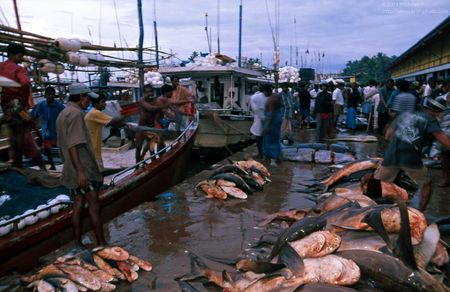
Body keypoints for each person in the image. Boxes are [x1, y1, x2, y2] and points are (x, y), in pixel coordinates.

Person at [373, 96, 450, 211]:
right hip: (410, 157)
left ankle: (372, 209)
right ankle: (420, 211)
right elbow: (444, 141)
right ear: (439, 112)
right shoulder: (430, 120)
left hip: (391, 155)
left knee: (379, 184)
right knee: (427, 183)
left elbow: (387, 135)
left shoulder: (405, 114)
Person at [56, 83, 106, 247]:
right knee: (93, 206)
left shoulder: (63, 113)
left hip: (70, 168)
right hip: (81, 168)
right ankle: (101, 244)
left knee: (78, 205)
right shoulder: (76, 114)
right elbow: (73, 144)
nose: (88, 102)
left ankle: (78, 243)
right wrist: (81, 173)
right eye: (87, 98)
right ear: (81, 97)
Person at [0, 43, 45, 170]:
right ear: (13, 55)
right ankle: (20, 163)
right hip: (17, 104)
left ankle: (16, 162)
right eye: (20, 56)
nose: (21, 59)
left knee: (14, 134)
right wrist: (24, 100)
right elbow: (26, 83)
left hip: (5, 106)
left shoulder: (1, 66)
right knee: (22, 133)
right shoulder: (17, 69)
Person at [85, 92, 125, 170]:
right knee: (98, 174)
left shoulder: (94, 113)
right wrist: (125, 114)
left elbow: (112, 124)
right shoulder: (95, 113)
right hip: (93, 148)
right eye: (103, 102)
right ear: (96, 103)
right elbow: (114, 120)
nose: (105, 104)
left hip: (95, 147)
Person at [32, 86, 65, 170]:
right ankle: (52, 165)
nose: (50, 96)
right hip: (46, 132)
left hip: (56, 131)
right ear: (45, 95)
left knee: (62, 149)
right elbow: (34, 115)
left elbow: (65, 116)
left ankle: (65, 163)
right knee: (47, 149)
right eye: (48, 94)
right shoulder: (41, 104)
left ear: (54, 95)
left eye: (52, 94)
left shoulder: (59, 105)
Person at [135, 84, 168, 163]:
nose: (150, 93)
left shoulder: (156, 101)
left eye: (151, 91)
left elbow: (164, 111)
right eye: (147, 92)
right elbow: (150, 108)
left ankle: (153, 163)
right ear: (144, 93)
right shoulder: (142, 100)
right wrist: (162, 107)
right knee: (138, 148)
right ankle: (137, 166)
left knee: (151, 148)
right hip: (141, 127)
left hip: (151, 126)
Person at [262, 85, 283, 166]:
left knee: (269, 139)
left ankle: (273, 159)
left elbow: (271, 114)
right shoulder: (277, 96)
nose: (263, 94)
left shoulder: (270, 100)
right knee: (276, 138)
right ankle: (278, 156)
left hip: (272, 120)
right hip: (278, 118)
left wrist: (268, 126)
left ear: (267, 91)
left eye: (264, 92)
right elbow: (281, 105)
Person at [249, 85, 267, 158]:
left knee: (258, 138)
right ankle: (265, 153)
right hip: (266, 118)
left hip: (258, 119)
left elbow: (252, 109)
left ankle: (260, 154)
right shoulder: (264, 96)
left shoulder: (252, 97)